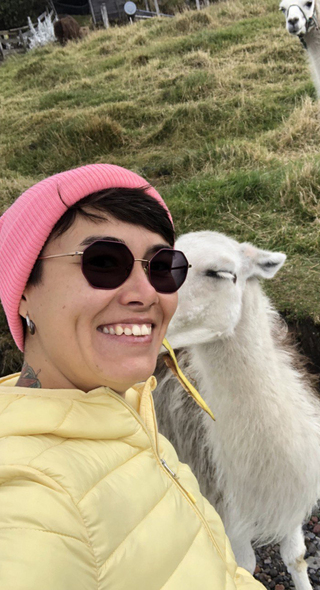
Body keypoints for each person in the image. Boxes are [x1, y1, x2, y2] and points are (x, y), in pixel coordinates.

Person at [0, 164, 263, 590]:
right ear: (25, 290)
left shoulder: (132, 408)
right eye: (104, 262)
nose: (146, 293)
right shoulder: (28, 501)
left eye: (164, 268)